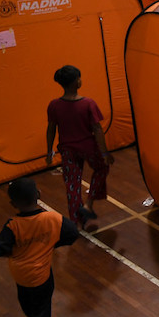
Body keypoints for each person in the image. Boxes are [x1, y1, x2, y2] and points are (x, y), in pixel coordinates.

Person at [0, 178, 79, 317]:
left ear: (13, 204)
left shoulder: (12, 225)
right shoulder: (52, 219)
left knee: (30, 309)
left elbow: (0, 249)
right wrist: (49, 244)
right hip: (41, 280)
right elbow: (72, 233)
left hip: (21, 279)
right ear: (39, 195)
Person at [46, 65, 114, 229]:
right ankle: (88, 203)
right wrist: (104, 153)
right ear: (77, 82)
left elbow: (51, 129)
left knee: (72, 184)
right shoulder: (88, 103)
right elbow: (97, 129)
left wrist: (49, 151)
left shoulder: (54, 105)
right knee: (101, 169)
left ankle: (76, 220)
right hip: (88, 147)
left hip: (68, 150)